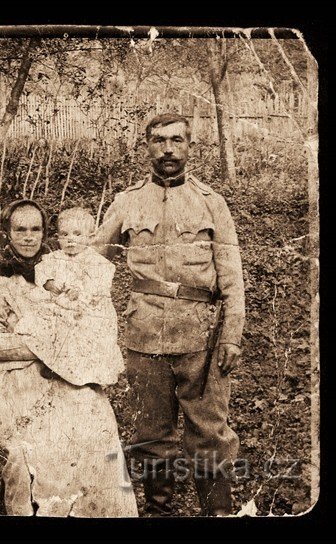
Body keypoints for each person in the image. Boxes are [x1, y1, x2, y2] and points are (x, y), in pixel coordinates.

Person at [92, 113, 245, 516]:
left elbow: (232, 276)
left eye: (177, 140)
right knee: (150, 434)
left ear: (189, 146)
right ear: (147, 147)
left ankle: (219, 513)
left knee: (209, 432)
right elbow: (92, 262)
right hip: (144, 337)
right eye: (159, 141)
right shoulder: (127, 201)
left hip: (202, 340)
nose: (168, 150)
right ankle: (161, 512)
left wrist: (231, 335)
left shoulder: (212, 203)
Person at [0, 199, 138, 517]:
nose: (29, 237)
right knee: (37, 445)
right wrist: (45, 347)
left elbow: (89, 318)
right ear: (7, 232)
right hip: (13, 380)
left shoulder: (61, 267)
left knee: (97, 429)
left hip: (65, 375)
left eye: (36, 229)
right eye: (20, 229)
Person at [14, 206, 124, 386]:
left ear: (90, 237)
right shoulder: (54, 258)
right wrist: (49, 283)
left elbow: (101, 283)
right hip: (60, 303)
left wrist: (82, 292)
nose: (70, 239)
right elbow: (41, 272)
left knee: (83, 330)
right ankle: (53, 363)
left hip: (85, 307)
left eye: (77, 234)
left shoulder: (96, 261)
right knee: (47, 321)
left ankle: (83, 371)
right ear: (58, 238)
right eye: (64, 235)